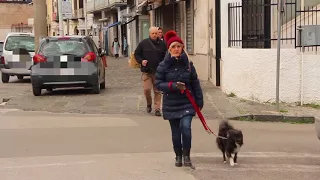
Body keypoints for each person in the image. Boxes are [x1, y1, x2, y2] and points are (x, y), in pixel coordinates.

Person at [155, 30, 204, 167]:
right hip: (171, 104)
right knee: (176, 133)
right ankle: (178, 156)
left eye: (179, 46)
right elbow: (158, 85)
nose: (176, 49)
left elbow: (195, 83)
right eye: (173, 47)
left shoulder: (188, 65)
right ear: (169, 49)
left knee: (186, 128)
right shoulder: (163, 66)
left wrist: (199, 101)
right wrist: (173, 85)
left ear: (182, 48)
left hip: (187, 103)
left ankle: (187, 155)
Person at [134, 26, 167, 116]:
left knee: (157, 91)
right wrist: (141, 61)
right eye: (153, 33)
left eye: (156, 33)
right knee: (147, 90)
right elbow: (137, 54)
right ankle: (149, 104)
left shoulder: (163, 44)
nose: (155, 35)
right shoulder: (143, 43)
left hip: (158, 72)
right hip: (147, 71)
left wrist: (163, 65)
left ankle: (157, 109)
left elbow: (166, 56)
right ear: (149, 34)